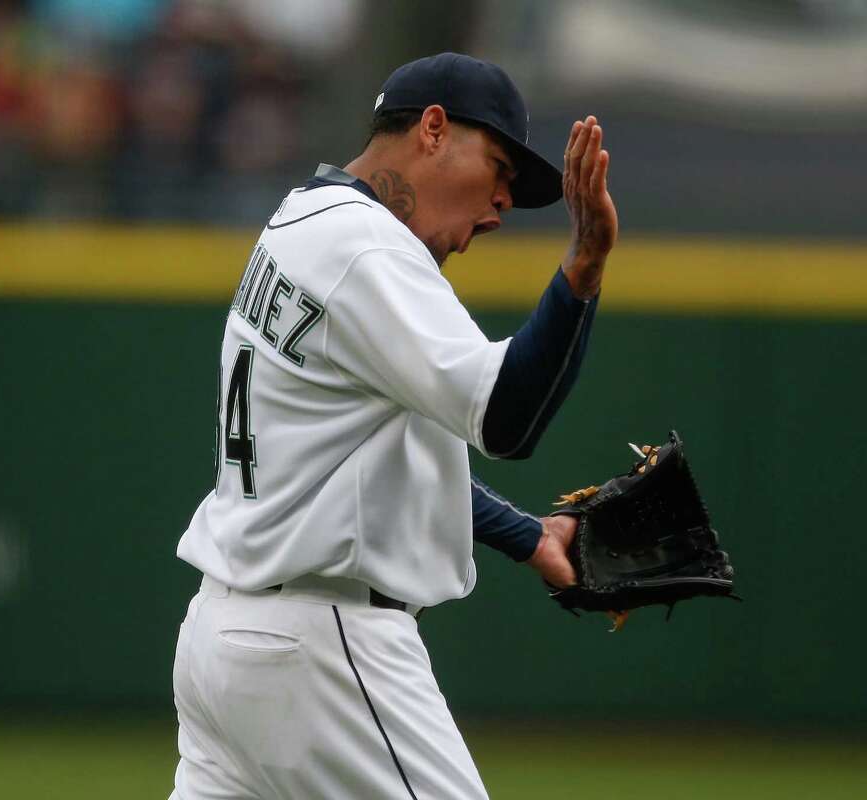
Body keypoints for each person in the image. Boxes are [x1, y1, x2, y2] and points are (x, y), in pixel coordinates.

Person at [168, 52, 617, 799]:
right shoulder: (367, 246)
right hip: (323, 652)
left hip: (225, 641)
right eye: (500, 166)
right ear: (434, 129)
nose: (504, 202)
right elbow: (507, 419)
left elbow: (367, 461)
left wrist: (528, 535)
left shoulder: (298, 220)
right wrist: (586, 264)